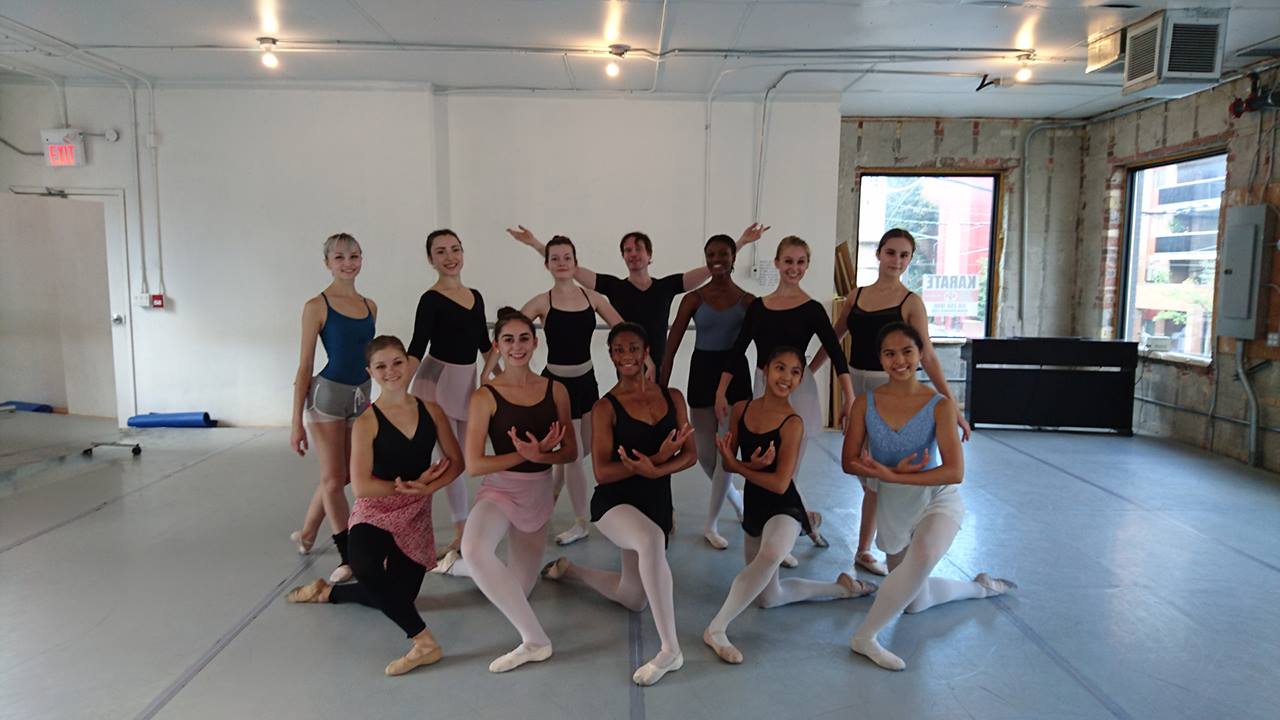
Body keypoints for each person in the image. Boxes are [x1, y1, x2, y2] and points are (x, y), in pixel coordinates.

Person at [285, 336, 463, 676]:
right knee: (364, 565)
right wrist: (406, 488)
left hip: (415, 512)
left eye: (397, 362)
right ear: (370, 372)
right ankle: (424, 642)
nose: (391, 371)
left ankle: (327, 593)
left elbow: (456, 462)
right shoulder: (368, 421)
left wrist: (426, 487)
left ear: (409, 364)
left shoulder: (432, 411)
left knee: (397, 597)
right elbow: (363, 485)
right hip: (375, 511)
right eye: (381, 366)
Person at [842, 322, 1014, 672]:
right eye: (890, 353)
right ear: (880, 359)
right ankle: (979, 588)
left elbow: (955, 471)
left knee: (922, 556)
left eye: (907, 351)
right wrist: (888, 475)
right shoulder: (865, 403)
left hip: (936, 498)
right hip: (894, 505)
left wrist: (894, 473)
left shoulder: (939, 405)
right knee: (913, 601)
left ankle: (865, 637)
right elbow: (848, 461)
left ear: (921, 355)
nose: (899, 360)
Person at [812, 227, 973, 577]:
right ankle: (874, 544)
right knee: (865, 470)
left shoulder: (911, 301)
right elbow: (833, 338)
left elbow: (926, 354)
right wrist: (809, 370)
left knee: (878, 472)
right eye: (890, 253)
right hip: (857, 383)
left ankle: (875, 546)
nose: (896, 261)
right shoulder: (857, 296)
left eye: (904, 255)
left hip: (892, 385)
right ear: (879, 254)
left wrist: (952, 404)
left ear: (910, 260)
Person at [543, 323, 696, 686]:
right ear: (611, 356)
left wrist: (655, 467)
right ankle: (670, 649)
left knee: (634, 597)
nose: (627, 357)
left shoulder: (673, 396)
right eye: (619, 350)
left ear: (646, 353)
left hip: (655, 499)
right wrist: (653, 462)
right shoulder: (604, 407)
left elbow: (690, 455)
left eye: (633, 349)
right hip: (616, 503)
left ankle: (572, 571)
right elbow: (603, 472)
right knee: (650, 542)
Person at [702, 346, 876, 665]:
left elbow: (780, 483)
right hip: (755, 507)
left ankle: (716, 628)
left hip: (784, 505)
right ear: (765, 370)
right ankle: (842, 588)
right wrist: (737, 461)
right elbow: (727, 466)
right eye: (781, 368)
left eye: (795, 372)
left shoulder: (793, 423)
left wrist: (742, 467)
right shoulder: (742, 409)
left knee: (771, 555)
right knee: (769, 598)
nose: (787, 377)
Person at [433, 308, 577, 674]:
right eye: (509, 340)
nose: (517, 347)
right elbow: (475, 463)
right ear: (497, 345)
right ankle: (536, 641)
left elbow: (572, 452)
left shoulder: (555, 389)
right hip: (500, 491)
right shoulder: (486, 396)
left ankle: (455, 568)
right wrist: (524, 454)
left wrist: (544, 454)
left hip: (538, 492)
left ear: (535, 343)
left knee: (518, 589)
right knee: (476, 548)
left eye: (524, 339)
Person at [716, 235, 855, 548]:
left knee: (786, 469)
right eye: (788, 261)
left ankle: (789, 532)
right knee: (764, 462)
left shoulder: (812, 309)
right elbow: (738, 348)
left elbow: (835, 351)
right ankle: (803, 521)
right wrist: (721, 390)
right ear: (777, 263)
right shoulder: (759, 308)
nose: (794, 268)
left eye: (800, 262)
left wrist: (849, 397)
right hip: (764, 387)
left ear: (807, 266)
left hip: (798, 391)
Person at [506, 224, 768, 372]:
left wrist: (741, 243)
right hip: (628, 364)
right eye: (627, 250)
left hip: (660, 366)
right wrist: (537, 245)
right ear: (623, 257)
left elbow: (714, 266)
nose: (633, 254)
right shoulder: (614, 287)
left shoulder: (666, 286)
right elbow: (567, 266)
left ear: (649, 255)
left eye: (638, 249)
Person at [510, 235, 623, 546]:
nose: (561, 263)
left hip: (586, 382)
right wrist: (500, 369)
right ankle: (581, 522)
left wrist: (643, 360)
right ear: (547, 264)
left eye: (567, 258)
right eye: (555, 258)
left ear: (576, 262)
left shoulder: (592, 298)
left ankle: (552, 495)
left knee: (581, 450)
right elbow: (513, 331)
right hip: (557, 386)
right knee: (572, 457)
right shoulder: (541, 301)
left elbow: (623, 329)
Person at [289, 232, 377, 584]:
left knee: (346, 476)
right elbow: (304, 365)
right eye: (339, 257)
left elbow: (370, 358)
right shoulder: (317, 306)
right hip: (327, 396)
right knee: (332, 479)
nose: (347, 263)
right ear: (327, 263)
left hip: (361, 395)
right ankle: (348, 555)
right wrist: (296, 421)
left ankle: (308, 532)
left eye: (354, 256)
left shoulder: (370, 306)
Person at [659, 234, 753, 549]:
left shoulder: (748, 300)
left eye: (723, 254)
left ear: (733, 257)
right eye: (711, 254)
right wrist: (660, 388)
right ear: (706, 257)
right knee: (705, 456)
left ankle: (710, 525)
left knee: (727, 454)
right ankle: (738, 502)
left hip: (736, 378)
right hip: (701, 375)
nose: (717, 259)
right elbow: (669, 349)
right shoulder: (693, 299)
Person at [407, 229, 495, 558]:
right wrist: (397, 389)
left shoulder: (475, 295)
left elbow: (485, 346)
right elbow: (417, 346)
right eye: (441, 252)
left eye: (455, 249)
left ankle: (462, 528)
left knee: (459, 460)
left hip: (464, 381)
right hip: (435, 382)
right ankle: (458, 529)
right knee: (446, 459)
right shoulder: (430, 299)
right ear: (431, 260)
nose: (450, 257)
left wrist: (504, 377)